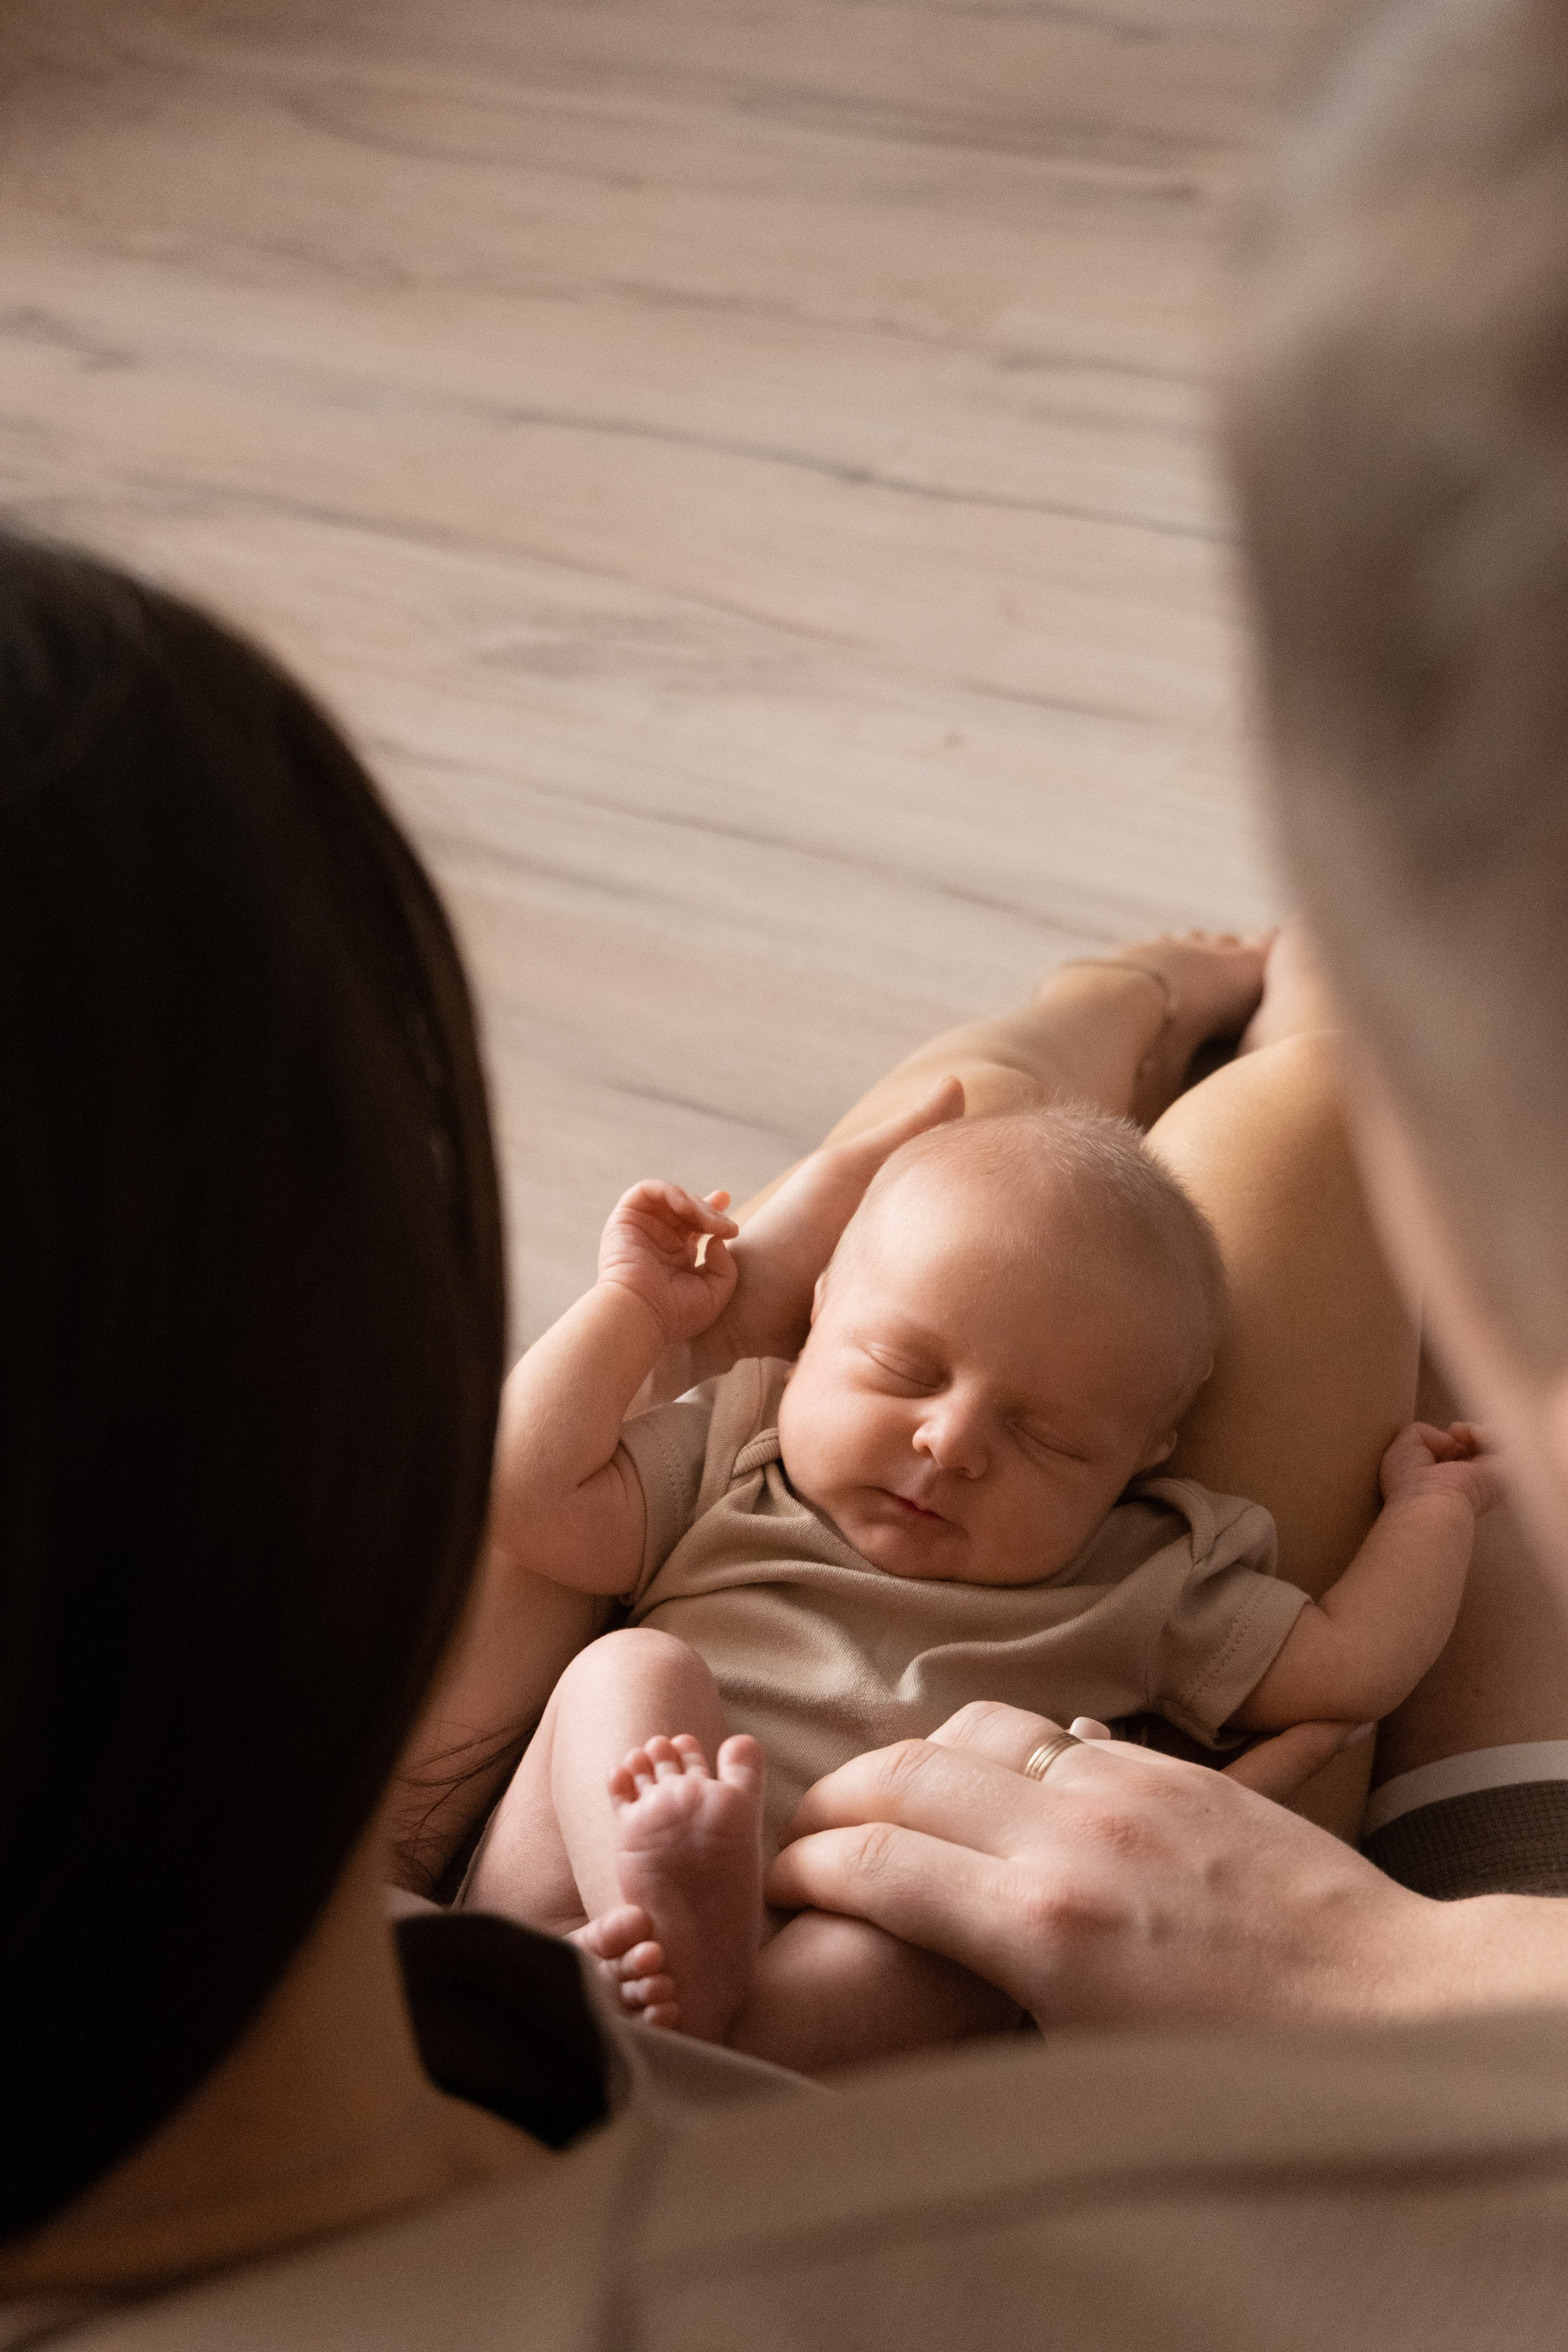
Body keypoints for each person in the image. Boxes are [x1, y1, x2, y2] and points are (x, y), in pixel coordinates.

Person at [10, 0, 1568, 2325]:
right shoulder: (1300, 2235)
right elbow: (1321, 1686)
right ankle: (1293, 986)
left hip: (636, 1917)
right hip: (1111, 1945)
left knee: (947, 1187)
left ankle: (1161, 1000)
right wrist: (1399, 1971)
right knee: (1233, 1140)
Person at [456, 1107, 1496, 2069]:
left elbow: (1348, 1665)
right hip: (567, 1928)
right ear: (817, 1313)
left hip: (805, 2011)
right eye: (905, 1370)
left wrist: (1434, 1508)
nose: (951, 1444)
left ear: (1142, 1456)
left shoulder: (1143, 1580)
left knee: (961, 1929)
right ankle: (670, 1929)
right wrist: (634, 1308)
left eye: (1046, 1438)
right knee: (632, 1669)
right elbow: (524, 1493)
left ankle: (707, 2004)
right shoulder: (739, 1452)